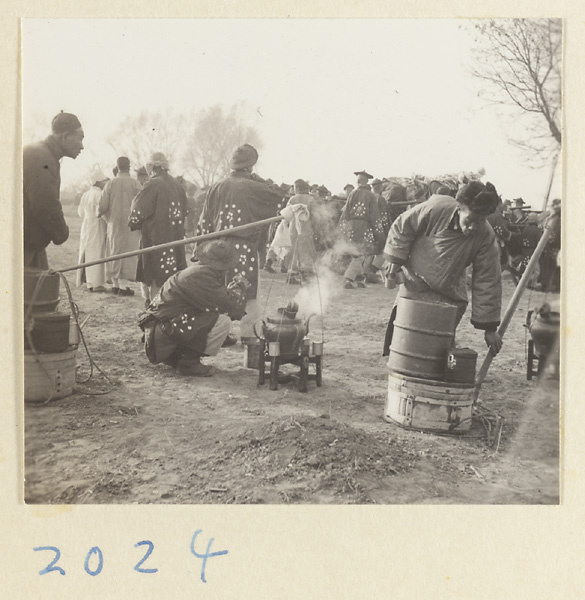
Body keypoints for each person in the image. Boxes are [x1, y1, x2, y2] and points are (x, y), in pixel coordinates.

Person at [382, 181, 503, 356]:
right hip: (414, 284)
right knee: (404, 343)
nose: (473, 227)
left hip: (449, 291)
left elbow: (488, 279)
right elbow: (402, 226)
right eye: (470, 221)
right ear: (459, 207)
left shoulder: (486, 236)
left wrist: (490, 328)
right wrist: (396, 257)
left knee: (436, 349)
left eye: (480, 222)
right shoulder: (436, 208)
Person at [197, 144, 286, 340]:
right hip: (243, 248)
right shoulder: (254, 186)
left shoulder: (216, 186)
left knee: (218, 289)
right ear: (251, 166)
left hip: (216, 247)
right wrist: (257, 179)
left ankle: (218, 334)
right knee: (248, 291)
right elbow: (279, 196)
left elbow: (204, 221)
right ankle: (249, 335)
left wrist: (201, 248)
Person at [139, 240, 249, 377]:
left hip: (163, 331)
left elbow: (218, 300)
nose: (227, 270)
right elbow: (230, 305)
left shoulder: (199, 271)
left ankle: (179, 357)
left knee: (213, 313)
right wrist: (239, 288)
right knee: (222, 321)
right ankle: (188, 362)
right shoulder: (201, 276)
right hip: (163, 336)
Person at [23, 111, 84, 268]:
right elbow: (45, 204)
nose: (82, 146)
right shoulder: (42, 157)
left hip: (27, 242)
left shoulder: (43, 154)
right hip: (21, 246)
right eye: (80, 137)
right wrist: (61, 233)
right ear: (64, 137)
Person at [129, 152, 188, 304]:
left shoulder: (153, 183)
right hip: (174, 236)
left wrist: (134, 222)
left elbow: (138, 208)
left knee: (156, 274)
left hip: (155, 236)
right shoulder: (177, 185)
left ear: (151, 167)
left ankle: (156, 308)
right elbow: (185, 210)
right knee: (171, 274)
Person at [98, 156, 143, 296]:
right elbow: (142, 203)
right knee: (129, 251)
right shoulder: (136, 184)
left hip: (114, 223)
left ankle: (116, 285)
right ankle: (123, 286)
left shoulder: (110, 184)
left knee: (114, 250)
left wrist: (108, 217)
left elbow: (101, 206)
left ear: (117, 167)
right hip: (131, 225)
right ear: (128, 167)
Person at [338, 170, 386, 289]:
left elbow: (345, 213)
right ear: (366, 182)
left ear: (358, 181)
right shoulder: (371, 196)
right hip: (364, 226)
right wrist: (380, 234)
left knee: (357, 251)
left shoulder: (352, 194)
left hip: (351, 226)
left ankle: (360, 279)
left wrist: (342, 228)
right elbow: (374, 215)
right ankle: (348, 279)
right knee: (361, 253)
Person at [76, 165, 109, 292]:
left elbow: (80, 212)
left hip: (87, 224)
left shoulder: (85, 194)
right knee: (97, 250)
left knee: (87, 249)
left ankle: (88, 281)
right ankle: (95, 282)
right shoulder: (100, 194)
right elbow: (102, 211)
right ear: (99, 181)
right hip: (97, 224)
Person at [285, 179, 318, 285]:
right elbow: (315, 215)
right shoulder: (311, 199)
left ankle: (291, 274)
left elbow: (286, 213)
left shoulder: (292, 199)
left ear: (298, 188)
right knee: (306, 251)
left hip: (293, 228)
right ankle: (305, 275)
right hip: (306, 228)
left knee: (293, 251)